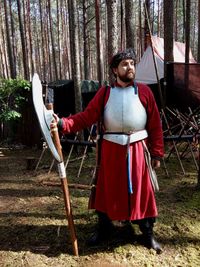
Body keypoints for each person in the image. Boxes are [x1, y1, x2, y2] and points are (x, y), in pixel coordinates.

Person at [51, 48, 164, 253]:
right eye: (125, 64)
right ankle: (104, 228)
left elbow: (155, 124)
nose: (130, 68)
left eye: (132, 63)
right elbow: (86, 117)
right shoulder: (104, 93)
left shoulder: (145, 92)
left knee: (141, 191)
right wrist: (63, 124)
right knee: (106, 189)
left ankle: (147, 233)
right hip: (110, 151)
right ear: (115, 70)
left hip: (138, 149)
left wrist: (157, 152)